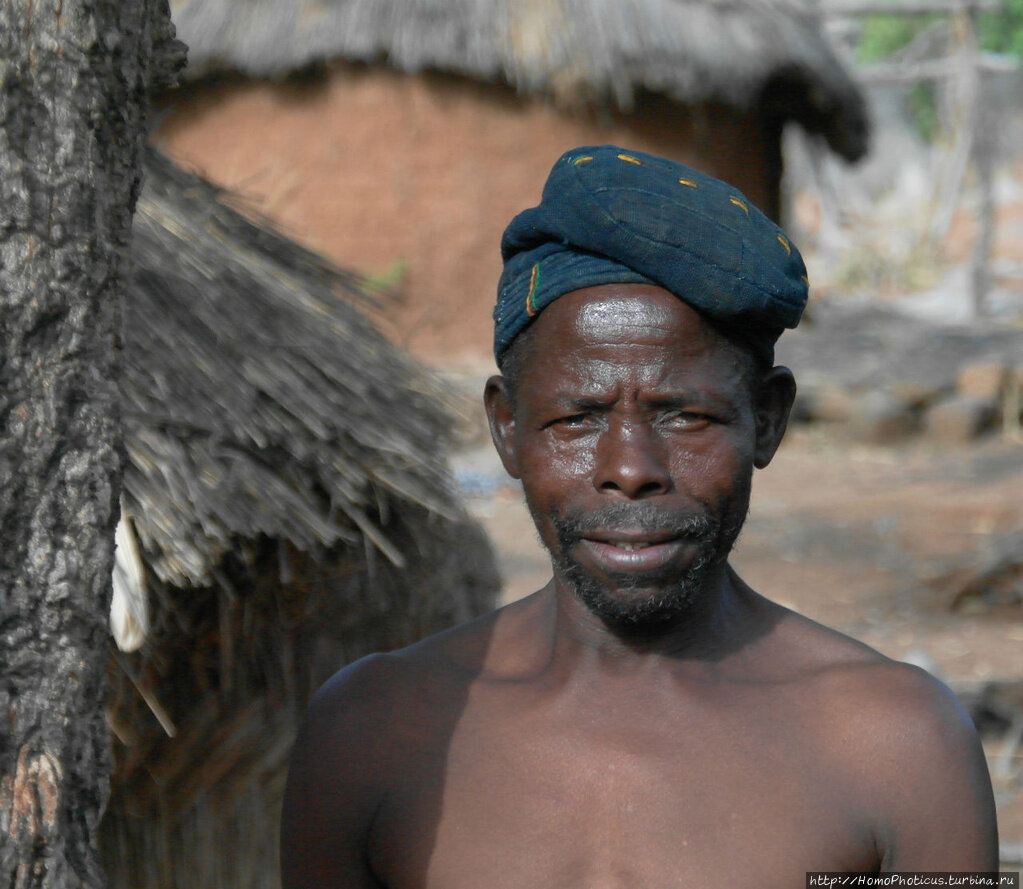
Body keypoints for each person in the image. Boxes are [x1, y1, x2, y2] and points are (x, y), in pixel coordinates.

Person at [280, 146, 998, 888]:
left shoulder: (895, 745)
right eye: (576, 417)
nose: (629, 467)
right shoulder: (373, 733)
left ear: (766, 419)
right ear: (505, 429)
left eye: (684, 415)